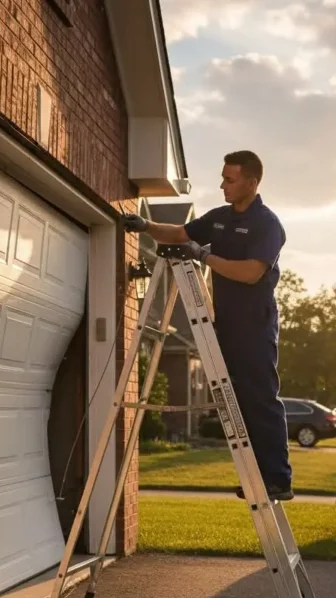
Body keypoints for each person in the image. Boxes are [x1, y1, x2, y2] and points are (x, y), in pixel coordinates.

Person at [122, 150, 294, 501]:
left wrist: (205, 256)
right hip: (226, 323)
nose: (222, 185)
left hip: (255, 325)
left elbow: (250, 273)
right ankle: (256, 477)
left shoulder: (267, 224)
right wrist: (147, 227)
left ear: (251, 181)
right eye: (223, 178)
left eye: (229, 180)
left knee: (260, 398)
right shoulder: (219, 218)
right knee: (238, 401)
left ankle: (278, 479)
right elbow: (181, 233)